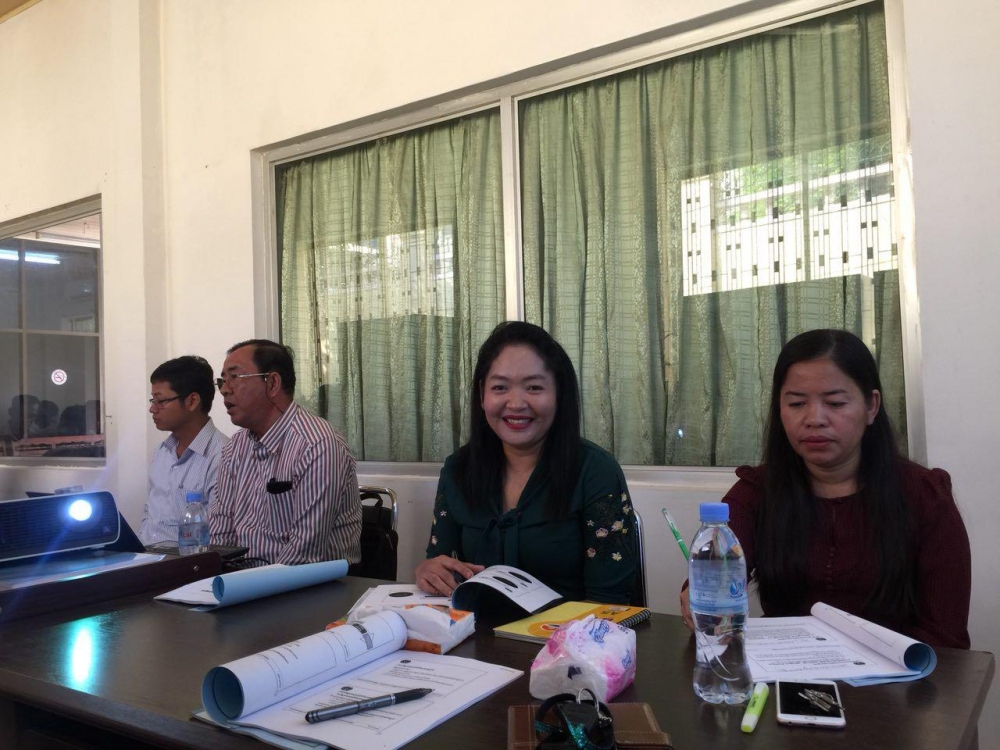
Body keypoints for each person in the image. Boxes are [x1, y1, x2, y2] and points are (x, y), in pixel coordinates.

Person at [679, 329, 971, 649]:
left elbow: (945, 639)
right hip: (785, 667)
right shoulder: (757, 491)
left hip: (897, 674)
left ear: (871, 406)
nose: (814, 419)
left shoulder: (925, 496)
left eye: (835, 402)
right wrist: (702, 592)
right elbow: (714, 577)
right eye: (796, 403)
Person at [415, 321, 638, 604]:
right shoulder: (458, 469)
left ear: (558, 393)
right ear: (482, 394)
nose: (516, 403)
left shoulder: (595, 471)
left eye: (534, 387)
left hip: (571, 631)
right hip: (476, 628)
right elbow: (441, 565)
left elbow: (609, 601)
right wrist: (429, 570)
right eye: (500, 387)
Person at [210, 339, 362, 565]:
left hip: (311, 581)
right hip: (245, 580)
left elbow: (304, 552)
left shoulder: (317, 445)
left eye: (235, 377)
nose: (224, 389)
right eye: (223, 380)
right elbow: (221, 535)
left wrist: (249, 584)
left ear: (272, 383)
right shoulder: (235, 447)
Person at [140, 356, 229, 546]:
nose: (152, 409)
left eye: (160, 401)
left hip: (188, 560)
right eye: (153, 400)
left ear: (192, 401)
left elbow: (220, 537)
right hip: (147, 556)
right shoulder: (162, 452)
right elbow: (150, 516)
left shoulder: (223, 455)